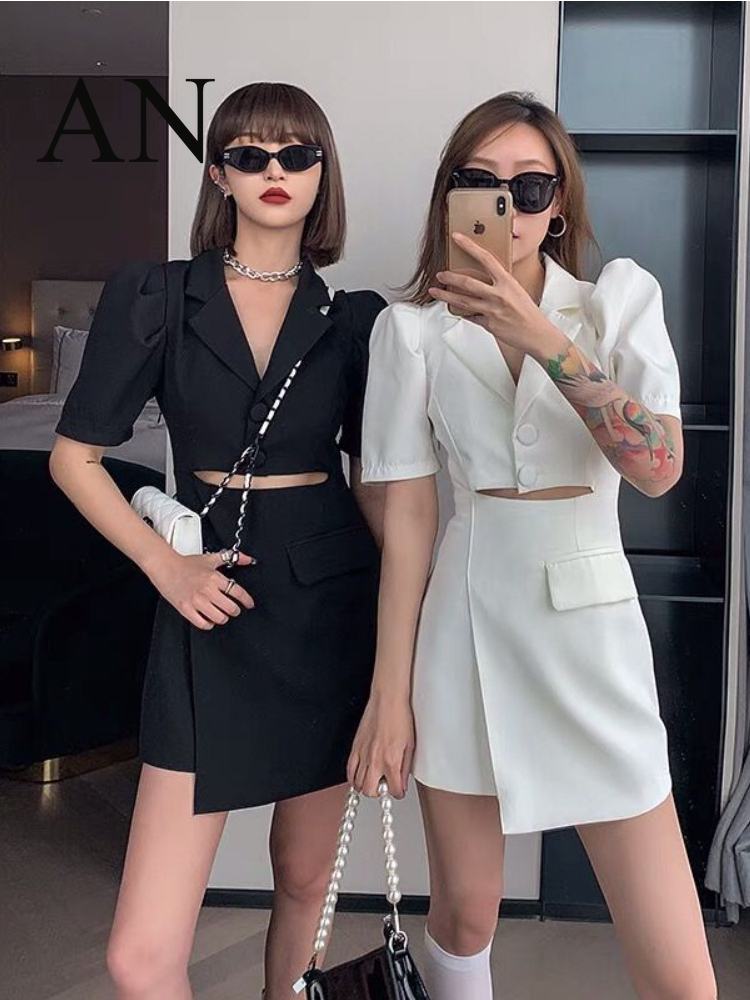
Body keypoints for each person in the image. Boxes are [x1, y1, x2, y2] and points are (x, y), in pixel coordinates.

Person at [351, 91, 717, 1000]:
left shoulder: (615, 301)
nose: (506, 202)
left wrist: (544, 339)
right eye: (481, 180)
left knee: (678, 971)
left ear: (558, 207)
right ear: (451, 195)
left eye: (530, 185)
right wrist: (388, 694)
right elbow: (408, 522)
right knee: (464, 916)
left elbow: (659, 468)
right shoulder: (411, 333)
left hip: (592, 640)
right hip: (461, 636)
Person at [49, 81, 387, 1000]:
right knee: (140, 956)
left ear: (322, 172)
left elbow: (382, 488)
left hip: (329, 607)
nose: (275, 171)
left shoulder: (354, 320)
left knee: (305, 882)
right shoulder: (157, 295)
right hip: (205, 597)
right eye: (249, 154)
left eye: (296, 154)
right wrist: (164, 566)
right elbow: (74, 459)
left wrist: (404, 651)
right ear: (219, 173)